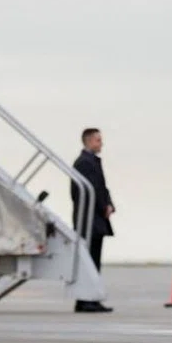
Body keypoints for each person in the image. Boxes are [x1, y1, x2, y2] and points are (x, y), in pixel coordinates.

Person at [70, 127, 115, 313]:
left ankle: (90, 298)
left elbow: (102, 188)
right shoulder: (83, 163)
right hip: (89, 219)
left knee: (93, 259)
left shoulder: (92, 162)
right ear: (88, 141)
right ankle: (86, 299)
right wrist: (103, 207)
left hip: (95, 218)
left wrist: (109, 204)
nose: (101, 143)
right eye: (98, 140)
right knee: (89, 260)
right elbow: (90, 191)